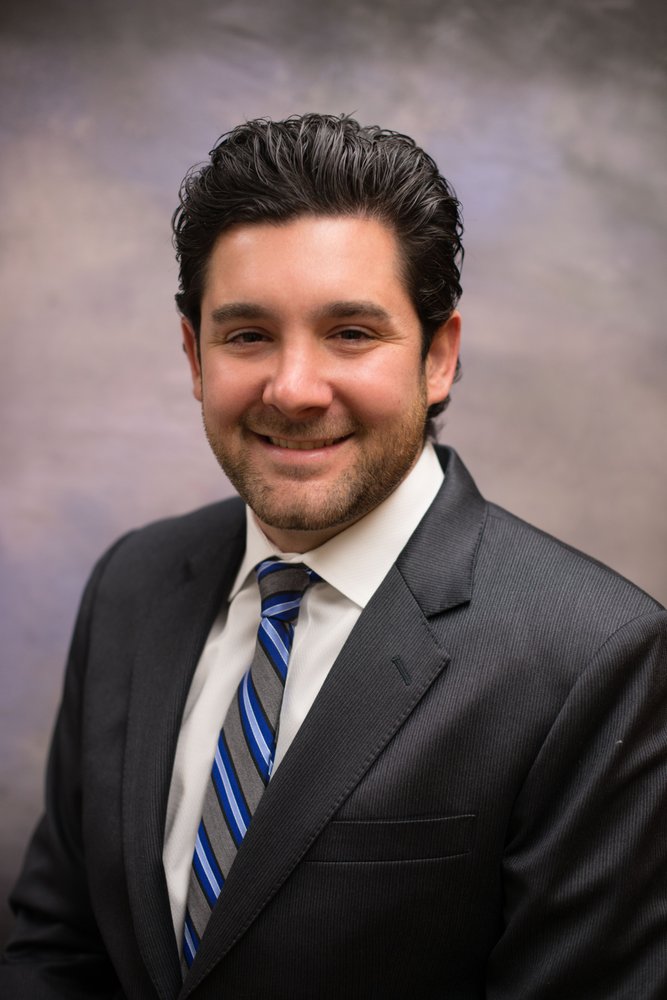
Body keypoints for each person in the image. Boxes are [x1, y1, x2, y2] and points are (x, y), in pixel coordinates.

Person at [2, 113, 666, 1000]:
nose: (293, 389)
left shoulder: (594, 655)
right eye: (247, 335)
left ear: (438, 356)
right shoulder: (132, 583)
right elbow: (57, 946)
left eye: (350, 333)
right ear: (194, 355)